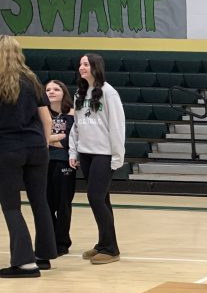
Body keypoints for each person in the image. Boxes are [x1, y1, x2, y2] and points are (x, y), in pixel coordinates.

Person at [0, 36, 56, 277]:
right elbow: (47, 119)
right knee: (40, 201)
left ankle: (25, 263)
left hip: (8, 149)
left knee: (11, 206)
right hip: (36, 148)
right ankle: (44, 255)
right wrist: (45, 144)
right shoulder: (32, 79)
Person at [69, 54, 126, 265]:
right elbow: (76, 126)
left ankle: (111, 249)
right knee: (103, 199)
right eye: (80, 64)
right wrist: (74, 152)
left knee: (95, 197)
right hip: (86, 153)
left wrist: (117, 157)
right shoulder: (79, 93)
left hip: (104, 153)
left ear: (96, 67)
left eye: (86, 64)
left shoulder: (109, 92)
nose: (81, 67)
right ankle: (104, 244)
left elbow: (117, 125)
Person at [44, 80, 76, 256]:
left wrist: (49, 138)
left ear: (64, 92)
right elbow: (39, 136)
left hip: (64, 162)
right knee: (45, 204)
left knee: (63, 204)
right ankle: (51, 240)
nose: (51, 92)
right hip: (43, 162)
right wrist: (56, 138)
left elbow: (70, 140)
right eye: (48, 89)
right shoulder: (41, 112)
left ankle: (62, 242)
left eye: (56, 89)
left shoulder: (72, 113)